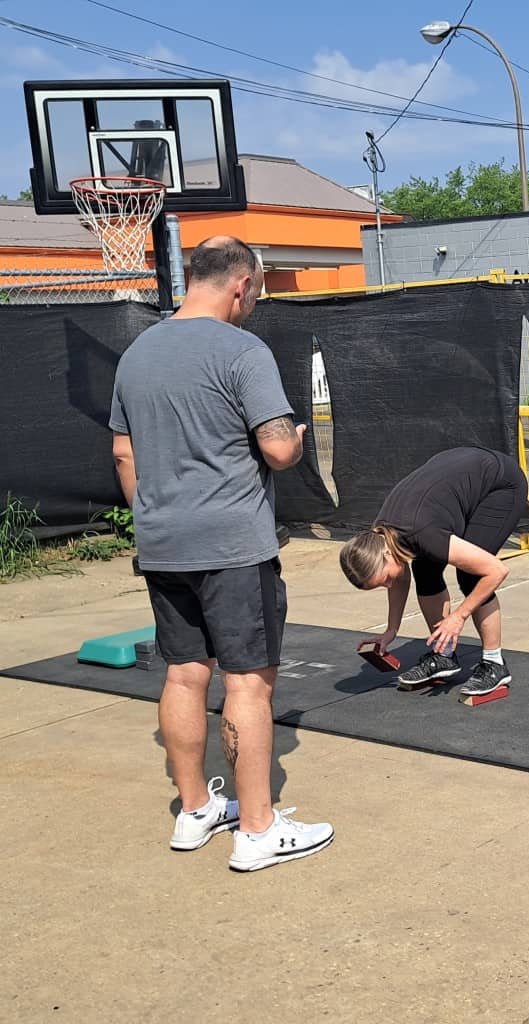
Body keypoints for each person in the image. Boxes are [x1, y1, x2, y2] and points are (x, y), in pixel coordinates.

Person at [109, 235, 333, 873]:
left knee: (183, 673)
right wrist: (292, 434)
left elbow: (124, 455)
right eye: (257, 292)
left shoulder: (138, 354)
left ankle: (193, 811)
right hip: (233, 546)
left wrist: (155, 516)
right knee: (248, 683)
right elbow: (279, 453)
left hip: (161, 542)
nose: (254, 304)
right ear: (241, 285)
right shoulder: (243, 351)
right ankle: (259, 829)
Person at [339, 446, 528, 696]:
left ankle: (494, 664)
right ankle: (444, 657)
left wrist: (457, 617)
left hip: (500, 483)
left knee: (472, 575)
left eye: (383, 580)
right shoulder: (380, 536)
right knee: (424, 568)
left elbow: (496, 571)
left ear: (385, 554)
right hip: (456, 475)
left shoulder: (421, 532)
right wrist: (391, 630)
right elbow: (399, 575)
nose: (388, 585)